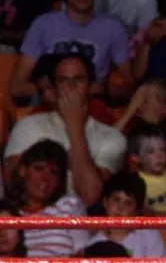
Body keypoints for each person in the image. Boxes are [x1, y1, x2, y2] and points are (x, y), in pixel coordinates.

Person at [3, 53, 127, 206]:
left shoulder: (113, 138)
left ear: (91, 87)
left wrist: (75, 127)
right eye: (63, 80)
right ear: (54, 88)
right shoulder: (28, 125)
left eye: (78, 79)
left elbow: (91, 196)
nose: (71, 86)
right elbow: (12, 184)